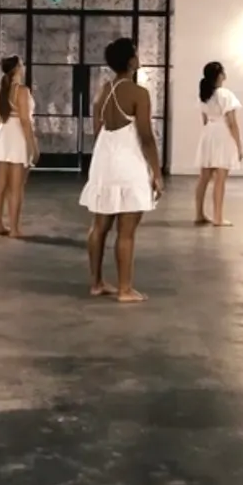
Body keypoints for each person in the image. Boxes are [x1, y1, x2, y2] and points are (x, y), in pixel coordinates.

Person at [81, 37, 162, 302]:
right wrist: (157, 172)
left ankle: (96, 283)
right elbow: (146, 137)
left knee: (99, 226)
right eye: (136, 54)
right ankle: (125, 289)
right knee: (126, 231)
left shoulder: (103, 91)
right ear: (130, 61)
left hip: (104, 161)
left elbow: (97, 130)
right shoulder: (139, 93)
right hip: (128, 162)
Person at [0, 55, 39, 237]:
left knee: (0, 184)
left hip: (4, 133)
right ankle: (14, 229)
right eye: (21, 65)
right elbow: (24, 120)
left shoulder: (1, 89)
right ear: (16, 68)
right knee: (16, 187)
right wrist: (32, 145)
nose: (23, 67)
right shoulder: (21, 91)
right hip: (16, 136)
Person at [193, 61, 243, 227]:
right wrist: (238, 145)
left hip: (208, 132)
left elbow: (204, 119)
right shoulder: (225, 94)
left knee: (204, 177)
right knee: (220, 178)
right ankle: (218, 217)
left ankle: (199, 213)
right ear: (220, 75)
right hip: (222, 134)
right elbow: (232, 122)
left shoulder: (203, 95)